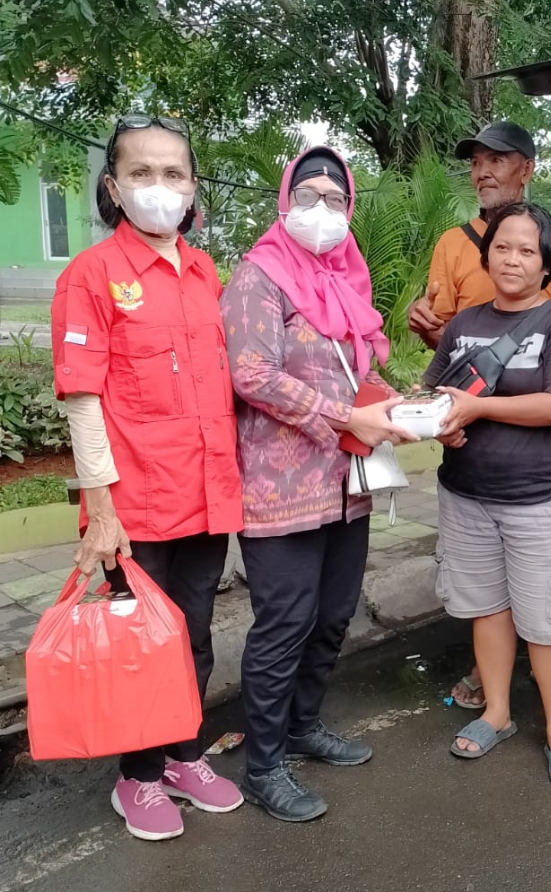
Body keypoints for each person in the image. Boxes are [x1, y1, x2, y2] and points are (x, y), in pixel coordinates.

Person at [50, 114, 245, 841]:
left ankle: (183, 757)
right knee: (140, 646)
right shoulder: (91, 276)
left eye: (173, 173)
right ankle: (136, 775)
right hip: (133, 505)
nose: (158, 187)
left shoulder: (203, 272)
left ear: (193, 189)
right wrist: (100, 507)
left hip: (204, 491)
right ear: (114, 186)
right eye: (142, 173)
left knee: (194, 633)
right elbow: (82, 397)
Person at [221, 147, 418, 823]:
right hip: (280, 490)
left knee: (333, 617)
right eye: (308, 195)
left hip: (346, 485)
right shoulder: (258, 276)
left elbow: (351, 372)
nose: (324, 210)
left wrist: (406, 409)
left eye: (337, 199)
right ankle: (264, 765)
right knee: (285, 624)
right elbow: (250, 373)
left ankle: (304, 727)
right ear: (285, 201)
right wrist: (346, 416)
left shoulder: (344, 279)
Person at [408, 120, 551, 710]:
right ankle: (496, 701)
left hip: (535, 479)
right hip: (467, 470)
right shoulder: (453, 255)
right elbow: (441, 357)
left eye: (498, 159)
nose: (483, 170)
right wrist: (433, 412)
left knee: (545, 607)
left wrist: (477, 403)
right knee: (485, 598)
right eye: (476, 160)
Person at [423, 203, 551, 782]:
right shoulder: (464, 322)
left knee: (547, 620)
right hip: (466, 493)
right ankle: (496, 714)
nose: (513, 259)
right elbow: (438, 397)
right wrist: (439, 420)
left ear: (547, 263)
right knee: (487, 610)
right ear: (487, 254)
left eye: (527, 250)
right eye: (503, 247)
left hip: (539, 498)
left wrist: (478, 406)